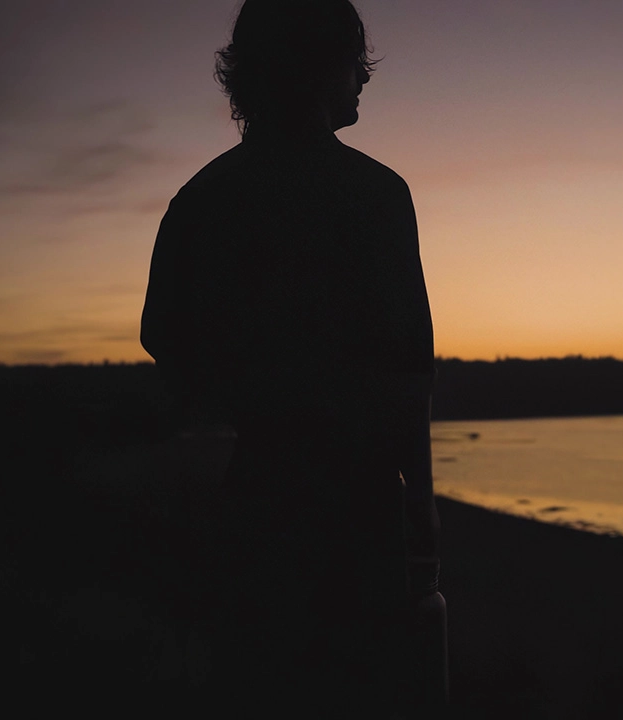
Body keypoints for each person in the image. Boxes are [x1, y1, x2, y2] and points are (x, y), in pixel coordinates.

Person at [139, 0, 438, 715]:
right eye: (354, 63)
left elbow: (161, 336)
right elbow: (409, 369)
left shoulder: (201, 199)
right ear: (318, 67)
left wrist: (247, 397)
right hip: (358, 508)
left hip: (257, 497)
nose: (364, 80)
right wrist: (422, 513)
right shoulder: (375, 194)